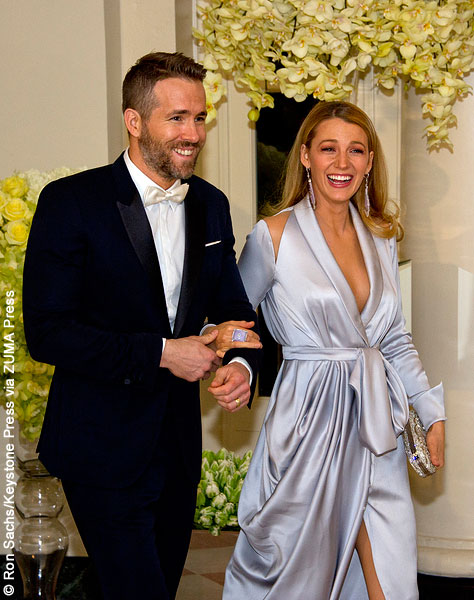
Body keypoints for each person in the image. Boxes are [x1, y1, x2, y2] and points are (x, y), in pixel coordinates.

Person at [22, 51, 262, 600]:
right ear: (134, 121)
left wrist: (244, 363)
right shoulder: (70, 203)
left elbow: (233, 310)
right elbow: (49, 332)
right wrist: (161, 352)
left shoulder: (211, 205)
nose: (193, 133)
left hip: (177, 449)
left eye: (199, 118)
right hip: (100, 445)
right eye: (176, 118)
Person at [222, 101, 446, 600]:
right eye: (329, 149)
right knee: (299, 575)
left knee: (387, 566)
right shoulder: (273, 236)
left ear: (369, 162)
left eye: (355, 151)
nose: (342, 163)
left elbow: (392, 338)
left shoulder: (381, 238)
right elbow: (235, 317)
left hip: (376, 423)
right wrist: (236, 364)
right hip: (308, 425)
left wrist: (431, 411)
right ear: (306, 156)